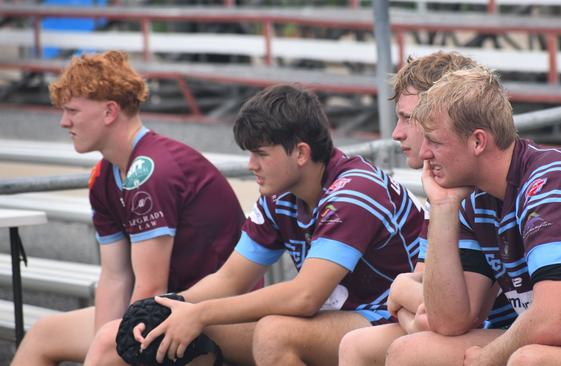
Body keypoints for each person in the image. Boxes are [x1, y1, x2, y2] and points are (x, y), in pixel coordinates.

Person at [83, 84, 426, 366]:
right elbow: (229, 279)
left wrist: (200, 313)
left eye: (260, 154)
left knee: (274, 333)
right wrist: (170, 305)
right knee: (165, 332)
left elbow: (304, 296)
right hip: (342, 317)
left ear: (301, 153)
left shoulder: (354, 190)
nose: (251, 165)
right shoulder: (281, 194)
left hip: (395, 319)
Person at [384, 66, 561, 366]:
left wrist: (488, 359)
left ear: (477, 142)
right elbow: (449, 322)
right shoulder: (476, 195)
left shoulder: (551, 184)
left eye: (435, 141)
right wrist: (443, 207)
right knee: (411, 352)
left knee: (529, 361)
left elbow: (554, 321)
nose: (425, 152)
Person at [11, 50, 245, 366]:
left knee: (110, 344)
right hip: (166, 309)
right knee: (44, 333)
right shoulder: (104, 175)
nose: (64, 121)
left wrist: (110, 346)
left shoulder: (150, 169)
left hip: (214, 317)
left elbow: (151, 287)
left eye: (72, 111)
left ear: (109, 112)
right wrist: (102, 341)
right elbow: (115, 275)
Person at [339, 52, 515, 366]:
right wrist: (406, 293)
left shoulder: (485, 188)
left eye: (408, 118)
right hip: (475, 330)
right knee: (355, 345)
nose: (396, 133)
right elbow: (423, 301)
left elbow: (435, 318)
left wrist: (400, 288)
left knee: (412, 349)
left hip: (512, 331)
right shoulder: (445, 192)